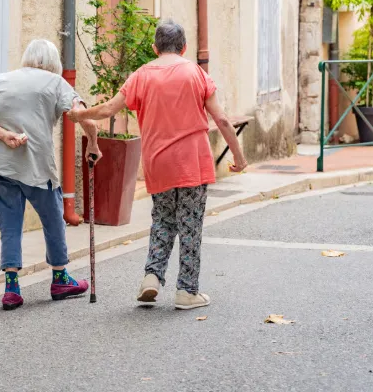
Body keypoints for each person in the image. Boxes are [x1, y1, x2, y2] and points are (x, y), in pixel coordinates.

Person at [69, 21, 247, 310]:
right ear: (185, 47)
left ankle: (152, 276)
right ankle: (187, 291)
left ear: (155, 47)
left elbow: (108, 109)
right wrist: (238, 156)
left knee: (163, 220)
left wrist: (80, 114)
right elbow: (223, 120)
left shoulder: (141, 75)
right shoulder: (196, 73)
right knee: (190, 225)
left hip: (158, 163)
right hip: (192, 163)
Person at [0, 39, 102, 311]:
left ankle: (12, 289)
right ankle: (60, 278)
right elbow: (83, 116)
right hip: (36, 165)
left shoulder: (3, 79)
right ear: (54, 63)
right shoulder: (56, 82)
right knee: (53, 218)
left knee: (9, 223)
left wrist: (5, 135)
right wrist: (93, 144)